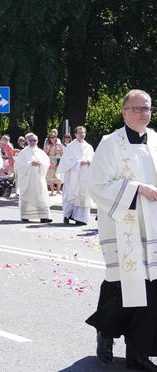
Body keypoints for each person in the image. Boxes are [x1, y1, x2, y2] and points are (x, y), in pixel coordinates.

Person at [85, 89, 157, 370]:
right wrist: (138, 189)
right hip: (123, 226)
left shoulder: (155, 140)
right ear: (124, 112)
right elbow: (98, 185)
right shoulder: (110, 143)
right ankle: (105, 332)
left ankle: (138, 353)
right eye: (138, 109)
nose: (144, 114)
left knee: (151, 291)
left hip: (152, 228)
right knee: (122, 288)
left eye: (148, 109)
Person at [56, 126, 94, 225]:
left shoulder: (89, 147)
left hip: (85, 175)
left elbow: (94, 159)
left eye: (83, 133)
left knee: (83, 195)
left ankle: (80, 218)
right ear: (75, 134)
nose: (82, 135)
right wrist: (79, 163)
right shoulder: (70, 147)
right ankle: (68, 215)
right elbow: (66, 161)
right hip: (73, 174)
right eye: (79, 133)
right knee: (71, 194)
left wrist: (90, 162)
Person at [14, 133, 52, 223]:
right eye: (30, 140)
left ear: (37, 141)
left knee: (41, 196)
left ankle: (44, 216)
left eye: (34, 140)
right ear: (26, 141)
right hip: (28, 179)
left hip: (39, 179)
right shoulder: (23, 153)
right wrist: (30, 163)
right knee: (28, 196)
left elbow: (47, 163)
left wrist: (41, 164)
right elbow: (18, 165)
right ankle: (25, 215)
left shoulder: (41, 152)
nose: (32, 142)